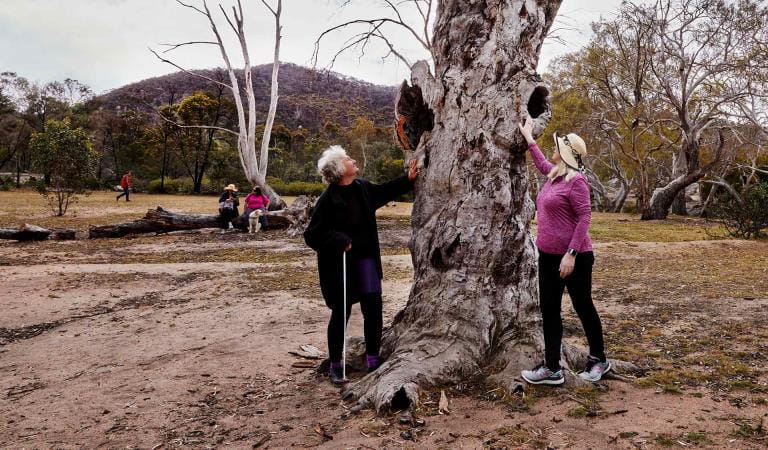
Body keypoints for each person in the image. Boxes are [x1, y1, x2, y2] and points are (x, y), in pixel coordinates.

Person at [304, 145, 418, 385]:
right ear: (338, 169)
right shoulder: (328, 199)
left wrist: (407, 179)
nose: (353, 160)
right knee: (341, 312)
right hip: (340, 264)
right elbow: (312, 234)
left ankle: (373, 359)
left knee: (373, 308)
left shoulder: (362, 188)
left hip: (365, 259)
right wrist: (339, 240)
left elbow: (385, 191)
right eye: (348, 159)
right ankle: (336, 365)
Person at [518, 117, 611, 384]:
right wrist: (528, 138)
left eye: (559, 146)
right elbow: (541, 162)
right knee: (549, 310)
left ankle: (598, 360)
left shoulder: (576, 181)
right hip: (547, 257)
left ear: (567, 154)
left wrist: (571, 253)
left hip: (576, 258)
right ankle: (552, 368)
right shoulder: (555, 175)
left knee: (583, 307)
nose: (554, 149)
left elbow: (584, 218)